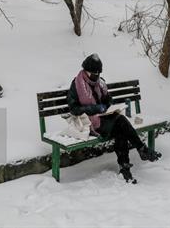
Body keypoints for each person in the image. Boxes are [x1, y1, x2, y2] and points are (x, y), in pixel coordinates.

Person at [67, 53, 161, 183]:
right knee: (121, 123)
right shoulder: (77, 84)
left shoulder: (99, 83)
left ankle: (125, 168)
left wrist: (108, 104)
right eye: (94, 74)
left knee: (120, 129)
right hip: (90, 122)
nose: (96, 76)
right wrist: (94, 109)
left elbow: (107, 99)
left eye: (98, 74)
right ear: (86, 72)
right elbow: (73, 109)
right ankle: (140, 150)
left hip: (105, 118)